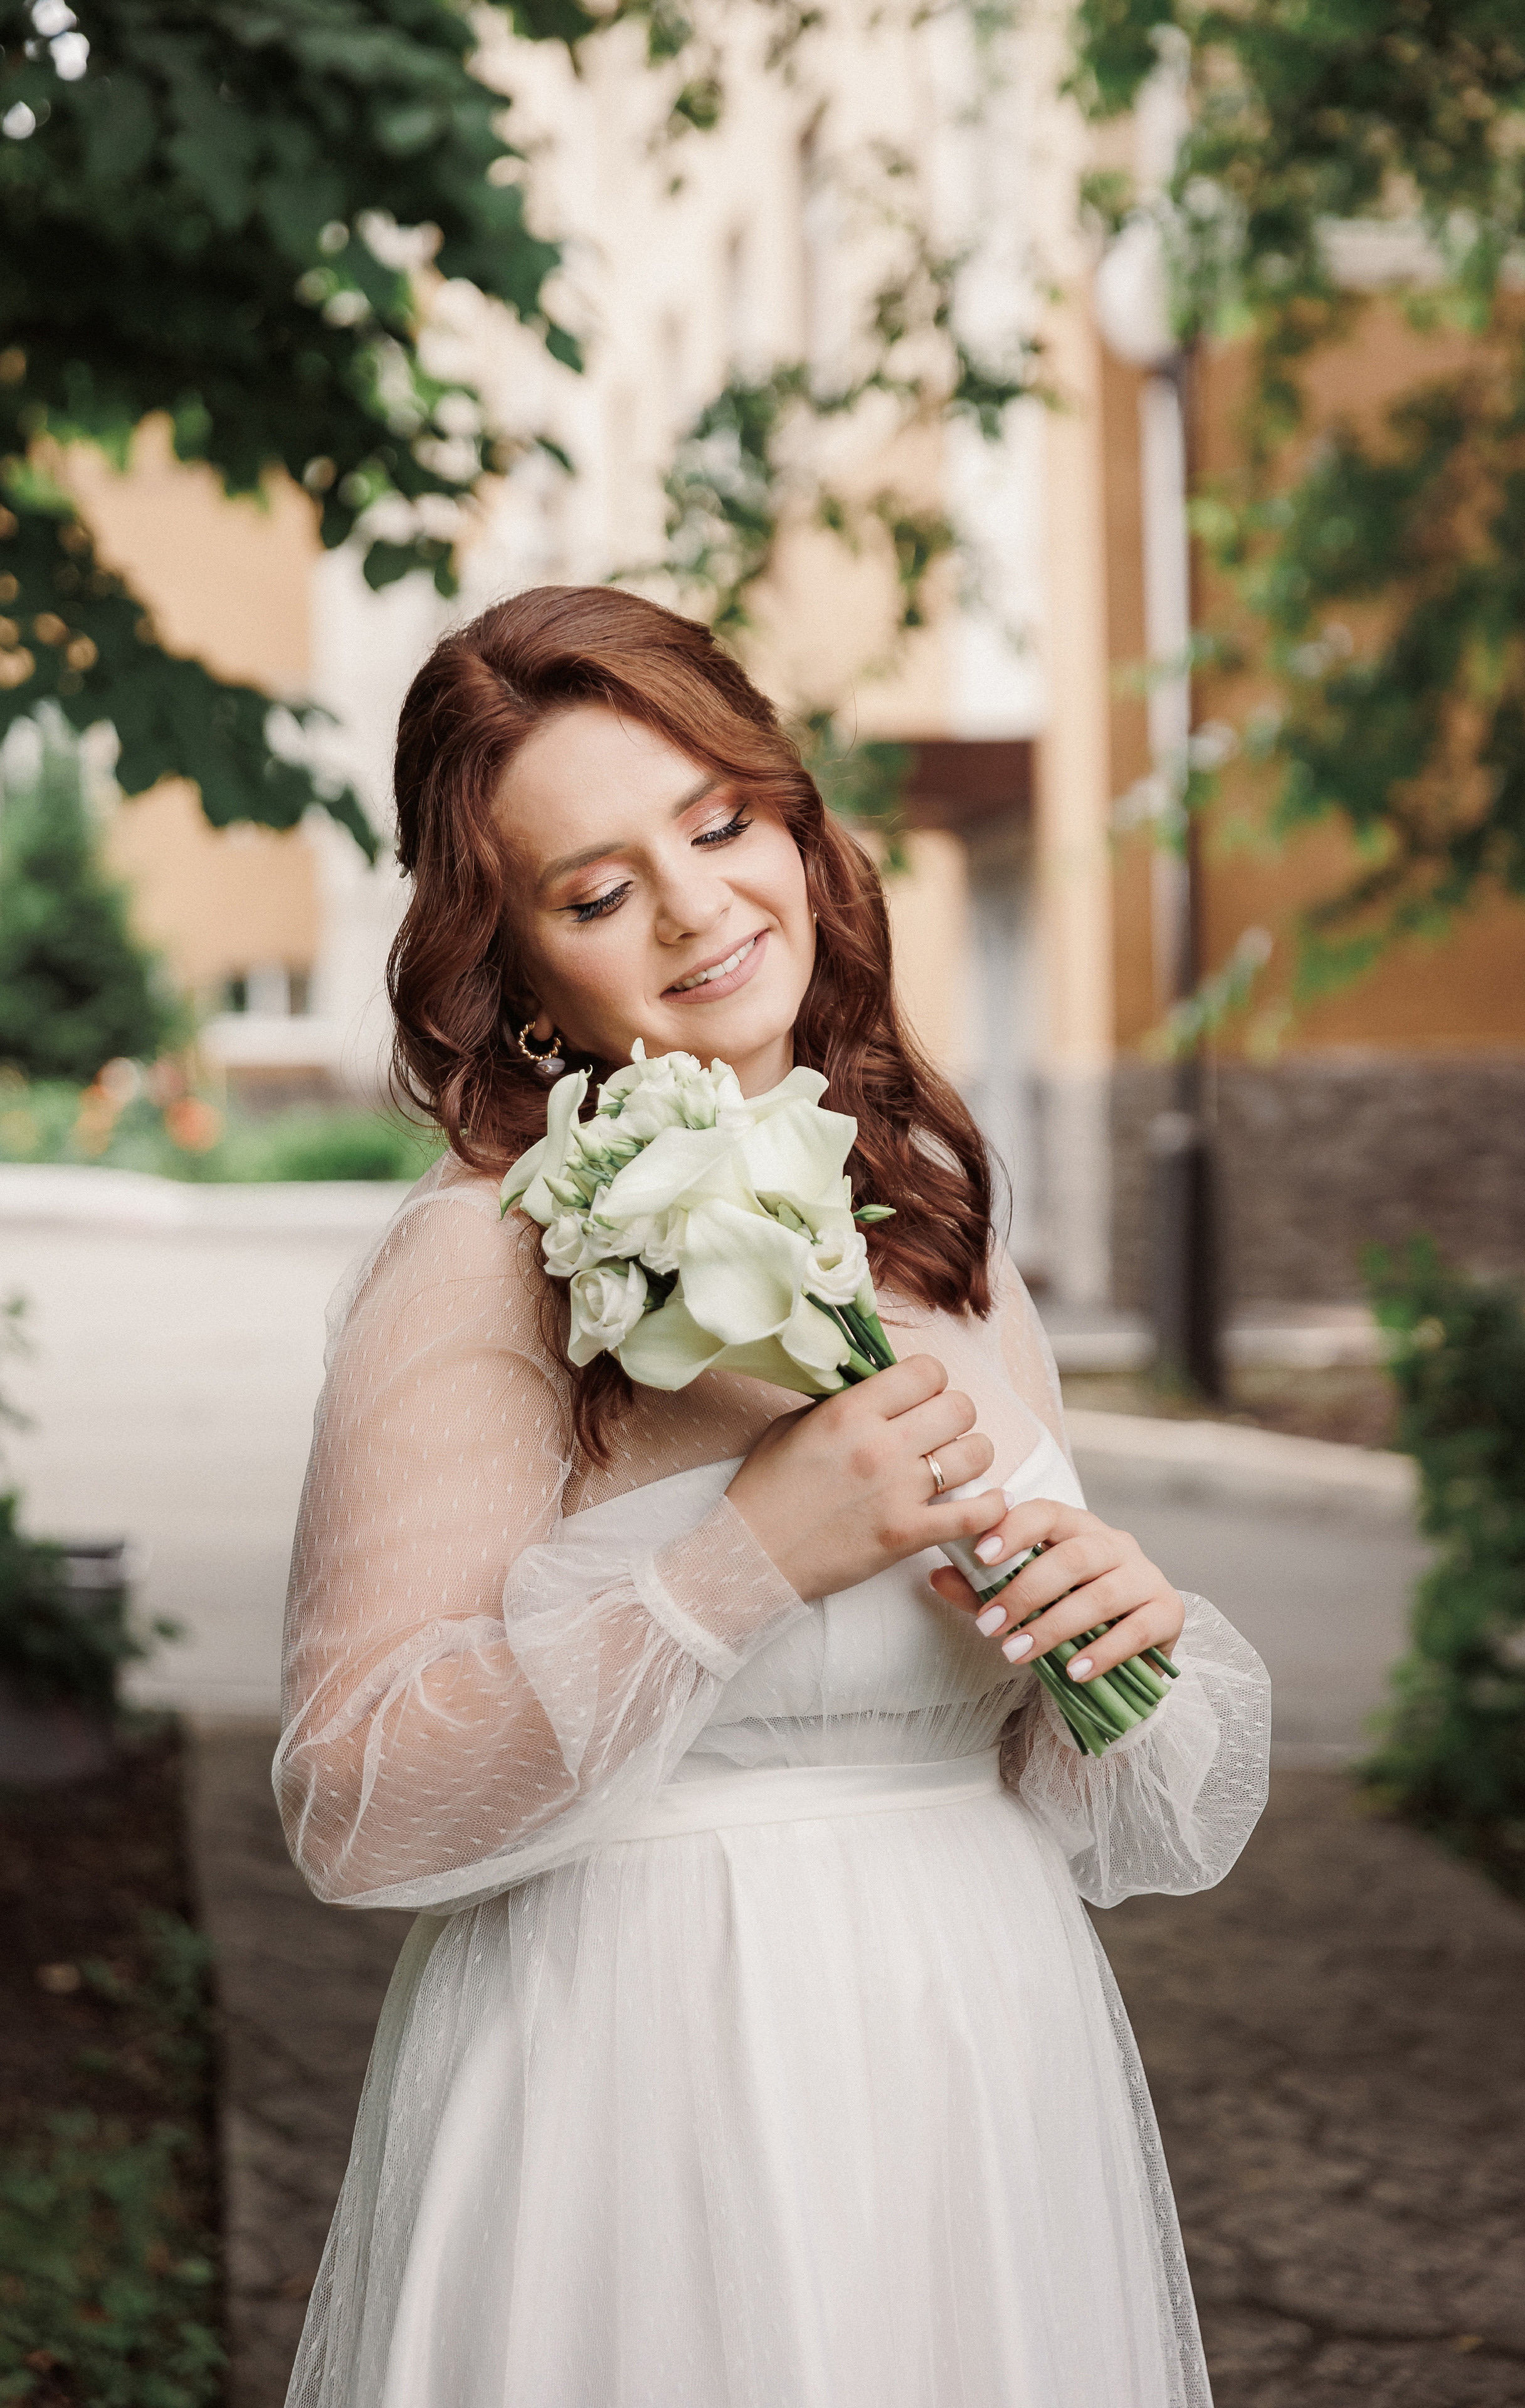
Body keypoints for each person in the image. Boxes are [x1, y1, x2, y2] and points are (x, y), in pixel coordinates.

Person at [275, 586, 1269, 2408]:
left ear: (794, 819)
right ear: (510, 965)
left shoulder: (941, 1224)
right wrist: (745, 1565)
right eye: (594, 891)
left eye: (721, 820)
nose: (697, 906)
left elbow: (1082, 1799)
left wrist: (1102, 1634)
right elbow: (353, 1803)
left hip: (979, 2056)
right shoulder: (476, 1264)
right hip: (644, 2092)